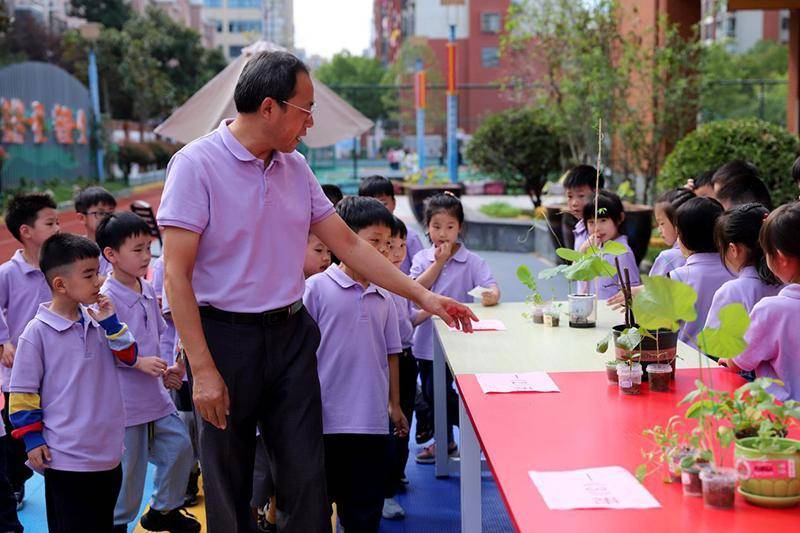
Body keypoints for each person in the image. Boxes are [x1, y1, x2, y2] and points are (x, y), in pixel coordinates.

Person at [157, 50, 475, 533]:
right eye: (305, 110)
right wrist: (202, 370)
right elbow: (175, 276)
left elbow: (346, 243)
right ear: (269, 107)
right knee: (229, 481)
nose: (309, 123)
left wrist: (424, 297)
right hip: (224, 341)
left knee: (307, 477)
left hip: (290, 335)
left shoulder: (295, 168)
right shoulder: (195, 165)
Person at [8, 233, 137, 532]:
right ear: (60, 285)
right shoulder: (37, 333)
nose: (100, 280)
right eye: (89, 274)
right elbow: (23, 392)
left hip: (108, 455)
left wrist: (111, 323)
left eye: (98, 271)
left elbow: (130, 355)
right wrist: (32, 439)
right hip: (66, 459)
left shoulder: (100, 321)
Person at [304, 196, 409, 533]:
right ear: (343, 239)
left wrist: (394, 405)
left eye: (388, 244)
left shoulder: (385, 296)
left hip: (371, 423)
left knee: (364, 510)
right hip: (324, 422)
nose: (382, 251)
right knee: (316, 506)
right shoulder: (316, 289)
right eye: (373, 242)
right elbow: (301, 355)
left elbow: (392, 353)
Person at [96, 212, 199, 533]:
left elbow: (155, 336)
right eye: (137, 250)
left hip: (155, 394)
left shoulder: (145, 286)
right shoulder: (106, 298)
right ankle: (117, 524)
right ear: (111, 255)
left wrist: (168, 368)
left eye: (148, 248)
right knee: (131, 472)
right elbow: (104, 350)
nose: (145, 256)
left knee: (181, 446)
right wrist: (139, 362)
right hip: (126, 403)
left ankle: (163, 509)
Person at [411, 193, 499, 463]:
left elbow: (491, 286)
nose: (443, 233)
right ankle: (449, 440)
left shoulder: (471, 261)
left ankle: (476, 431)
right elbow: (415, 289)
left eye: (450, 226)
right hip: (426, 342)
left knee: (453, 389)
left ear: (460, 227)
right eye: (436, 226)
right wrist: (439, 262)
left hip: (462, 340)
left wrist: (491, 295)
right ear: (427, 227)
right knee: (431, 392)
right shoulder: (423, 258)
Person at [0, 192, 60, 509]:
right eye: (50, 222)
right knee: (16, 435)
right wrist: (3, 342)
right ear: (26, 231)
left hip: (55, 368)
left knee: (53, 425)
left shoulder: (58, 267)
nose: (57, 227)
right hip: (17, 375)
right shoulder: (8, 273)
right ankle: (15, 483)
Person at [724, 202, 800, 401]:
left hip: (781, 417)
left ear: (781, 257)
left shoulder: (772, 310)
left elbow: (739, 362)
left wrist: (728, 360)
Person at [383, 215, 428, 520]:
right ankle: (382, 490)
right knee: (386, 425)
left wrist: (437, 307)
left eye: (401, 245)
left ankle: (395, 476)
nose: (397, 252)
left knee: (403, 423)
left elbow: (409, 320)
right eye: (388, 245)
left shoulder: (399, 283)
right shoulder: (379, 285)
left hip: (407, 357)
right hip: (387, 362)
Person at [704, 203, 782, 331]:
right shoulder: (789, 285)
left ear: (733, 249)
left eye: (721, 248)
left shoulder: (732, 291)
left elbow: (714, 346)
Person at [670, 197, 733, 349]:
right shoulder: (736, 271)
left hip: (688, 358)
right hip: (728, 361)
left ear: (683, 236)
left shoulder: (678, 277)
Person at [579, 191, 640, 300]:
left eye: (603, 220)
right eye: (591, 222)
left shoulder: (622, 252)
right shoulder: (595, 247)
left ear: (620, 218)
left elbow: (632, 291)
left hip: (612, 314)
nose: (597, 228)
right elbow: (576, 276)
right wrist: (583, 250)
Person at [359, 175, 424, 275]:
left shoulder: (410, 236)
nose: (378, 210)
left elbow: (422, 269)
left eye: (383, 203)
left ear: (393, 203)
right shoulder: (360, 238)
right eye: (371, 204)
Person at [74, 185, 117, 276]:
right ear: (82, 218)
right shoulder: (76, 249)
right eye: (100, 213)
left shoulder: (117, 246)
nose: (107, 217)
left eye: (111, 212)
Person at [562, 165, 604, 251]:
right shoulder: (576, 225)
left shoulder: (606, 228)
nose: (574, 203)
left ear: (597, 193)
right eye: (570, 196)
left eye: (581, 196)